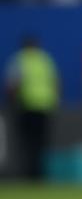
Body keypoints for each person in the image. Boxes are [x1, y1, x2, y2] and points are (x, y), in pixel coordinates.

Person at [5, 35, 60, 180]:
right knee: (41, 142)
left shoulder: (20, 59)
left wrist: (13, 102)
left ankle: (28, 173)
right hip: (44, 106)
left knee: (26, 142)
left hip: (26, 106)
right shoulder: (44, 59)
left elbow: (13, 84)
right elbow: (55, 82)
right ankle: (39, 173)